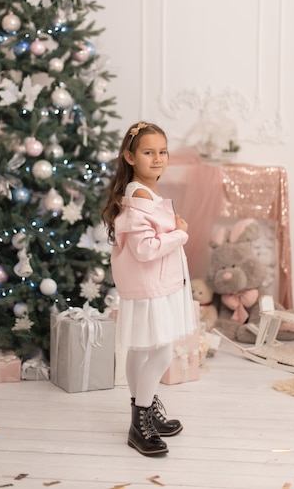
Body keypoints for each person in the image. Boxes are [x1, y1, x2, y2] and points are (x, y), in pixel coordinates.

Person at [101, 122, 196, 457]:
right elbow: (145, 249)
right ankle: (139, 421)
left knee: (141, 350)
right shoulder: (140, 196)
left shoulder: (144, 193)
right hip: (152, 287)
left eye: (162, 151)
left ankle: (143, 411)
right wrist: (180, 233)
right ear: (130, 156)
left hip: (152, 284)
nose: (158, 158)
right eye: (148, 152)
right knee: (160, 352)